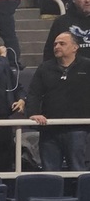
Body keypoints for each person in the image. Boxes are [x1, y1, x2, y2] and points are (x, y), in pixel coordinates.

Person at [26, 33, 90, 172]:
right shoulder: (44, 68)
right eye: (55, 44)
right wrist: (33, 113)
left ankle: (83, 194)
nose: (57, 46)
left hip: (78, 129)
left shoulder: (87, 66)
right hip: (50, 129)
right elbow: (34, 94)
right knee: (49, 171)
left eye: (62, 43)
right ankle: (51, 195)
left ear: (75, 47)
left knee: (78, 169)